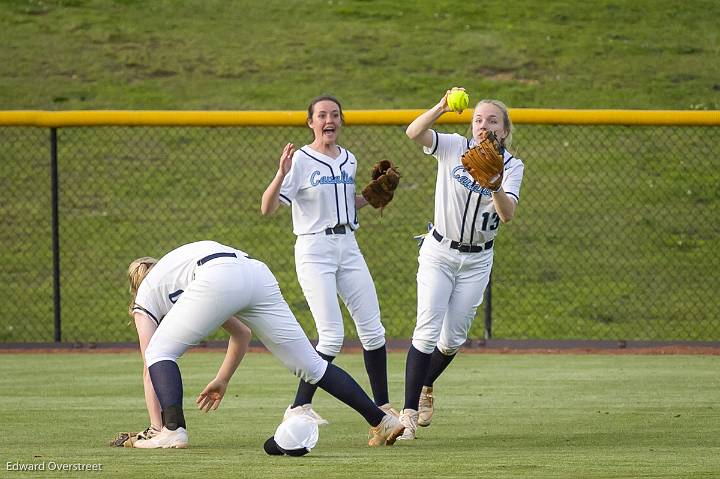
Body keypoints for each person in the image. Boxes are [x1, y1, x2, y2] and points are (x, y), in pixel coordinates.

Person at [126, 240, 404, 449]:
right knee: (312, 365)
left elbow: (150, 364)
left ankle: (172, 430)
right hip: (254, 272)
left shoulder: (145, 298)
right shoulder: (174, 277)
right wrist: (222, 379)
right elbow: (242, 334)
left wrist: (156, 426)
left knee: (159, 352)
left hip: (216, 276)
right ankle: (382, 420)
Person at [260, 95, 396, 427]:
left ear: (341, 121)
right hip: (314, 249)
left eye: (334, 114)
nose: (328, 120)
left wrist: (373, 196)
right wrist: (281, 173)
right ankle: (297, 407)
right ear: (311, 123)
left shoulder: (349, 159)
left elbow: (347, 204)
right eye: (321, 115)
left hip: (347, 245)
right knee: (331, 336)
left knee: (373, 331)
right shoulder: (301, 160)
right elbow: (267, 207)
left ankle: (385, 407)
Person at [397, 88, 525, 440]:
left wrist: (495, 182)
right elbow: (413, 132)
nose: (484, 125)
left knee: (451, 339)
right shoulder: (454, 146)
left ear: (505, 129)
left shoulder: (513, 166)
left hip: (477, 260)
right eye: (478, 119)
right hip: (439, 251)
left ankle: (425, 385)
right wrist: (440, 106)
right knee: (426, 329)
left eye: (492, 120)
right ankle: (407, 416)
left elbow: (508, 213)